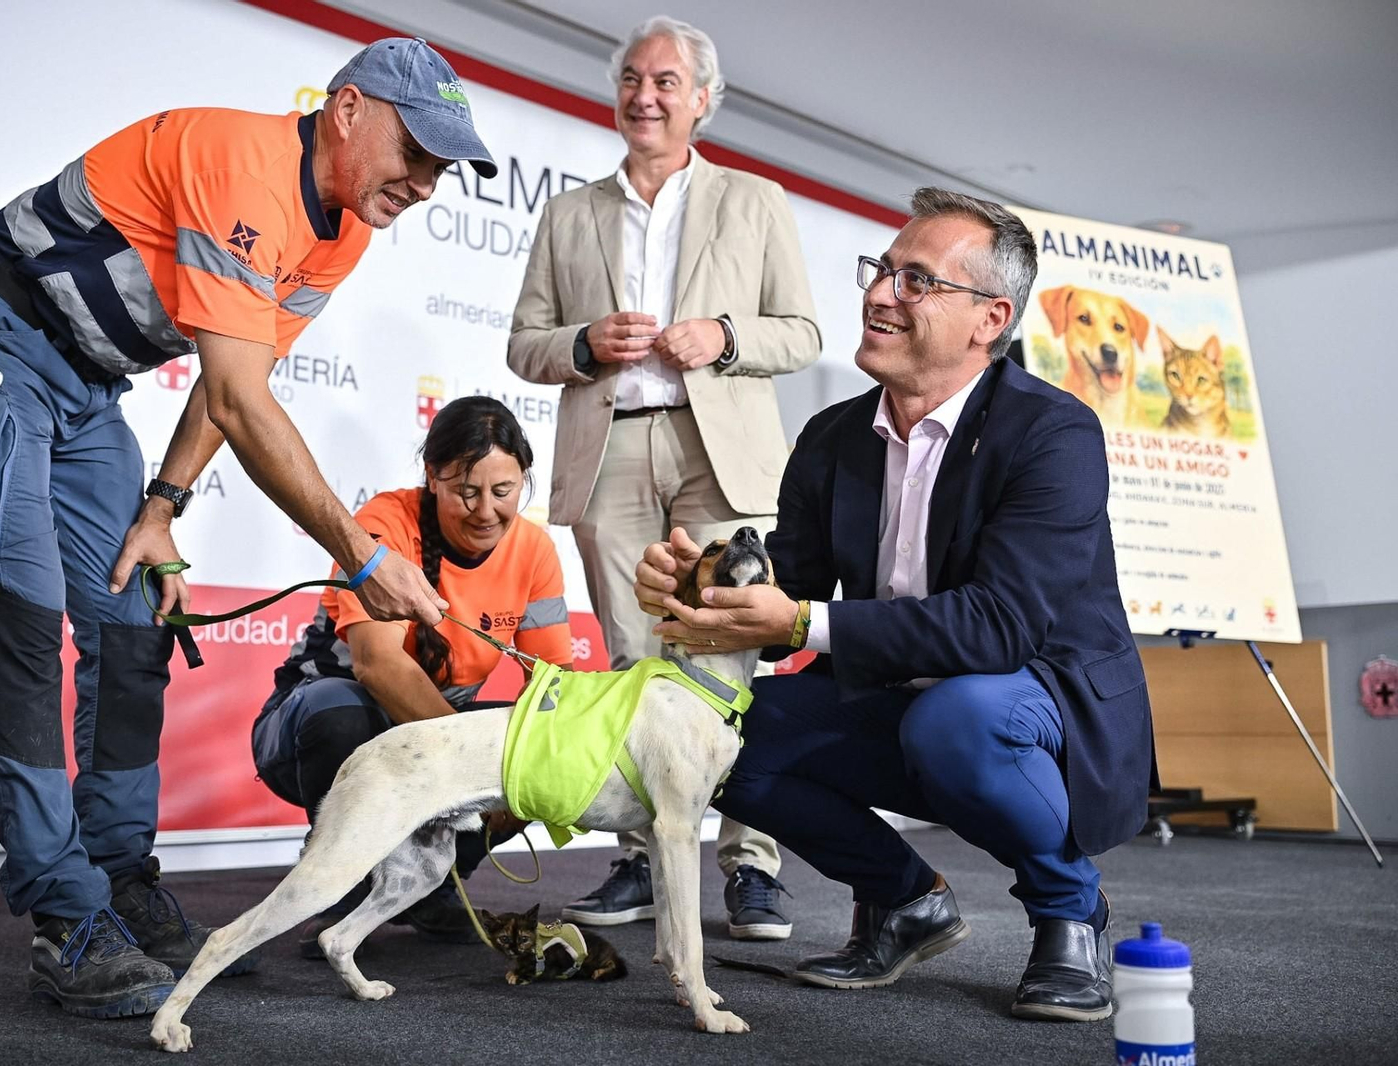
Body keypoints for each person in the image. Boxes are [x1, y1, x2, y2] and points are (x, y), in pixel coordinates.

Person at [0, 38, 494, 1018]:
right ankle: (65, 916)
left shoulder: (339, 234)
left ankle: (120, 875)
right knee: (23, 627)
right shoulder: (240, 161)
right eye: (416, 150)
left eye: (443, 166)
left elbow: (232, 384)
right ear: (345, 110)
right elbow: (242, 398)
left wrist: (163, 505)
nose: (426, 182)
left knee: (135, 626)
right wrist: (359, 550)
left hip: (87, 392)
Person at [636, 188, 1156, 1022]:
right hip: (902, 698)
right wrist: (700, 591)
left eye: (916, 281)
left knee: (957, 717)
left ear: (990, 319)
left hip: (1038, 703)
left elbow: (1000, 628)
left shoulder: (1054, 434)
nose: (880, 293)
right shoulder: (832, 438)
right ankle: (905, 899)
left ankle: (1070, 910)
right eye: (882, 270)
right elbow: (786, 599)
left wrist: (803, 624)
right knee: (727, 733)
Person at [507, 15, 819, 940]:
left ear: (703, 101)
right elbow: (525, 345)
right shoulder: (568, 214)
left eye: (667, 82)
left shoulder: (754, 201)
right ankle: (645, 858)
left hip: (718, 445)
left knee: (735, 658)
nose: (646, 95)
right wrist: (581, 343)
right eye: (633, 79)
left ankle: (752, 865)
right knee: (634, 661)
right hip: (609, 450)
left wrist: (722, 337)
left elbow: (799, 333)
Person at [253, 396, 572, 950]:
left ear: (524, 479)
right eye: (466, 492)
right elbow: (377, 667)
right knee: (341, 714)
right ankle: (340, 886)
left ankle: (434, 884)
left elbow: (555, 683)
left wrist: (536, 766)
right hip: (319, 722)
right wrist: (465, 768)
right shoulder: (383, 520)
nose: (486, 511)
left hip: (427, 739)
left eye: (504, 492)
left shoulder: (535, 550)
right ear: (432, 477)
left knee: (539, 740)